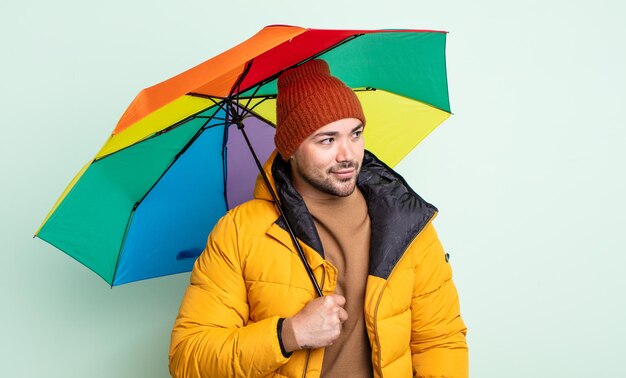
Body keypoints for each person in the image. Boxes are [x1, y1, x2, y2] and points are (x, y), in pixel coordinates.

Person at [169, 59, 468, 377]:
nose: (348, 154)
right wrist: (288, 334)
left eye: (355, 134)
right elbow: (188, 358)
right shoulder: (239, 232)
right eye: (327, 140)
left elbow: (440, 342)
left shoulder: (407, 224)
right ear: (291, 148)